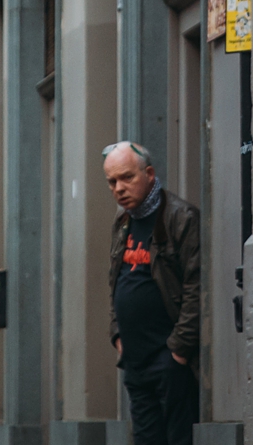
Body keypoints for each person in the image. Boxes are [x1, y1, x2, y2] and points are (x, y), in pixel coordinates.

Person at [104, 141, 202, 445]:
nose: (119, 188)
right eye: (112, 181)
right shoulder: (123, 222)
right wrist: (117, 333)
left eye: (127, 177)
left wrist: (179, 351)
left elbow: (196, 286)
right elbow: (116, 281)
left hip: (169, 358)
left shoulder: (180, 217)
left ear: (149, 173)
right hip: (135, 359)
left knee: (178, 438)